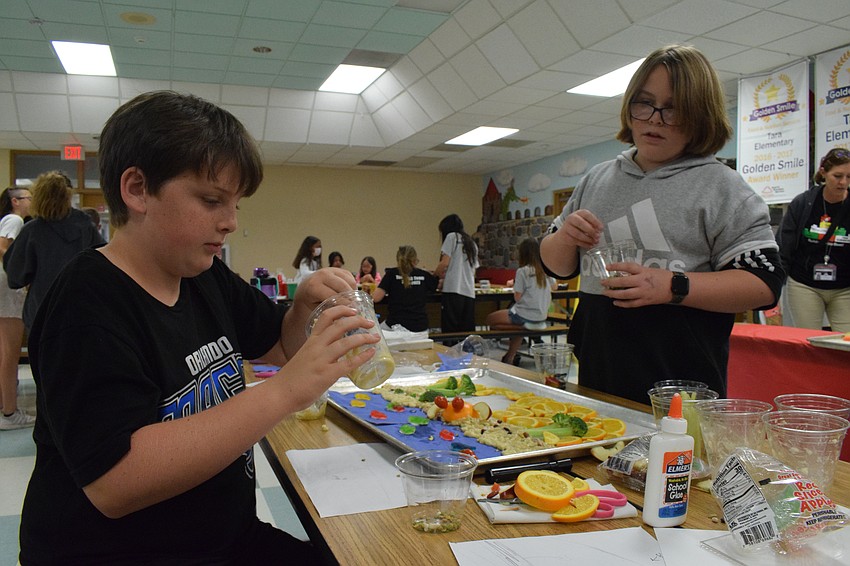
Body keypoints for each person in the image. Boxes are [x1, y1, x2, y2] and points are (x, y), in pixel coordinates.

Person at [16, 91, 379, 564]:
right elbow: (116, 481)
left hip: (222, 538)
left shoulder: (204, 275)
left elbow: (276, 347)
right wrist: (286, 392)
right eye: (211, 200)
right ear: (138, 189)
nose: (229, 222)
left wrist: (301, 310)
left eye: (235, 205)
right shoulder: (85, 302)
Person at [539, 44, 784, 404]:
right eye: (645, 103)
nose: (655, 119)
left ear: (701, 116)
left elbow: (764, 284)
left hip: (682, 387)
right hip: (596, 374)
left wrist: (673, 286)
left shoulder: (723, 186)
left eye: (674, 110)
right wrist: (565, 237)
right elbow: (556, 266)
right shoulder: (598, 178)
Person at [4, 172, 104, 331]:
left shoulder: (33, 230)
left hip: (42, 308)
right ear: (68, 196)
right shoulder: (85, 225)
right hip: (81, 307)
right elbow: (102, 263)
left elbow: (16, 276)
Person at [778, 148, 850, 332]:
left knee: (845, 344)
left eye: (849, 177)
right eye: (838, 176)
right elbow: (784, 245)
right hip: (804, 284)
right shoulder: (803, 203)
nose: (843, 182)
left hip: (845, 288)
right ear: (823, 172)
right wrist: (776, 281)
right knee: (808, 340)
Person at [486, 238, 556, 366]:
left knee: (490, 319)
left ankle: (519, 332)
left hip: (523, 315)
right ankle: (509, 356)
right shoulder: (545, 270)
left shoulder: (522, 271)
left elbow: (517, 298)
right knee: (518, 327)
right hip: (541, 316)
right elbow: (555, 287)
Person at [0, 186, 34, 430]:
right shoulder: (14, 220)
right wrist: (22, 268)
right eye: (27, 198)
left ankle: (5, 405)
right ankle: (10, 413)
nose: (31, 201)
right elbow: (3, 246)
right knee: (10, 353)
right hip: (7, 289)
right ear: (15, 201)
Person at [372, 245, 439, 332]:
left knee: (374, 333)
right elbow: (436, 287)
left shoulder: (391, 274)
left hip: (395, 325)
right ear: (415, 259)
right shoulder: (424, 275)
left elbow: (376, 298)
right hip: (420, 327)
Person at [435, 214, 479, 334]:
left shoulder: (451, 237)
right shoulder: (471, 243)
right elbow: (473, 270)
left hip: (453, 290)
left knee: (450, 330)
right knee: (466, 329)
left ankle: (450, 352)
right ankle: (467, 353)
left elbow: (444, 263)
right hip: (469, 292)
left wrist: (434, 275)